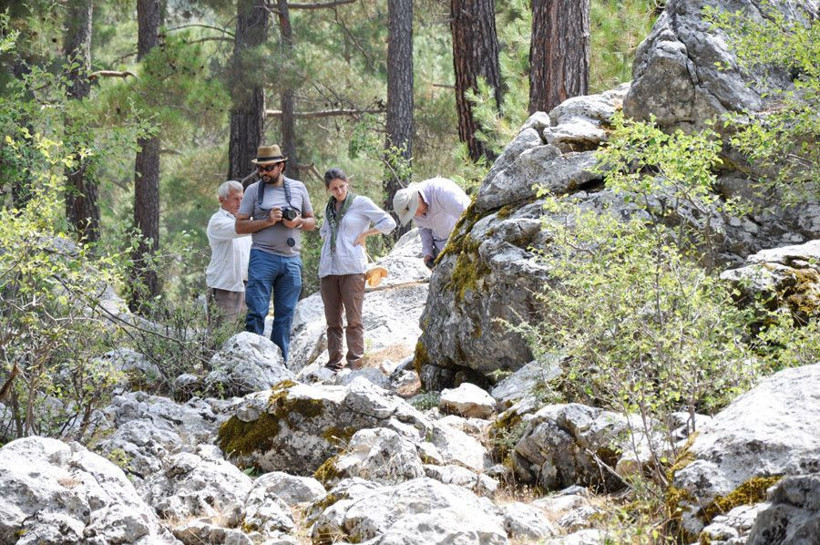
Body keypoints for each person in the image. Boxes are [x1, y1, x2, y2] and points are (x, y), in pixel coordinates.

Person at [235, 144, 316, 365]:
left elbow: (311, 222)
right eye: (260, 168)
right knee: (257, 311)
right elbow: (239, 226)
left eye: (269, 168)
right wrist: (267, 221)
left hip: (291, 260)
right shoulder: (253, 191)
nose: (264, 172)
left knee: (285, 315)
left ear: (281, 166)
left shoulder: (298, 188)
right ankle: (251, 363)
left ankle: (279, 364)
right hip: (262, 257)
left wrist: (297, 222)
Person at [319, 167, 396, 371]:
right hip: (328, 269)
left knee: (354, 319)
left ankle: (355, 363)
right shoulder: (329, 208)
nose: (339, 191)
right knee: (332, 320)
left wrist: (365, 234)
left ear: (347, 183)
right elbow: (324, 232)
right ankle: (334, 363)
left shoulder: (360, 202)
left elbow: (389, 222)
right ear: (328, 190)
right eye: (334, 188)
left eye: (342, 186)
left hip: (352, 268)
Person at [392, 177, 470, 269]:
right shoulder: (416, 212)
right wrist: (428, 253)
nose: (417, 215)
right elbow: (423, 229)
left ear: (417, 198)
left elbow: (467, 214)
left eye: (414, 210)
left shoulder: (441, 191)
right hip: (441, 244)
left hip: (463, 235)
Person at [206, 180, 252, 327]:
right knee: (222, 334)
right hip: (224, 288)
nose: (240, 203)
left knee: (244, 334)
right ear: (221, 200)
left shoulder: (248, 221)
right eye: (235, 199)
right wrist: (266, 222)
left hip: (246, 287)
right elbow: (238, 229)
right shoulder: (217, 221)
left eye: (242, 199)